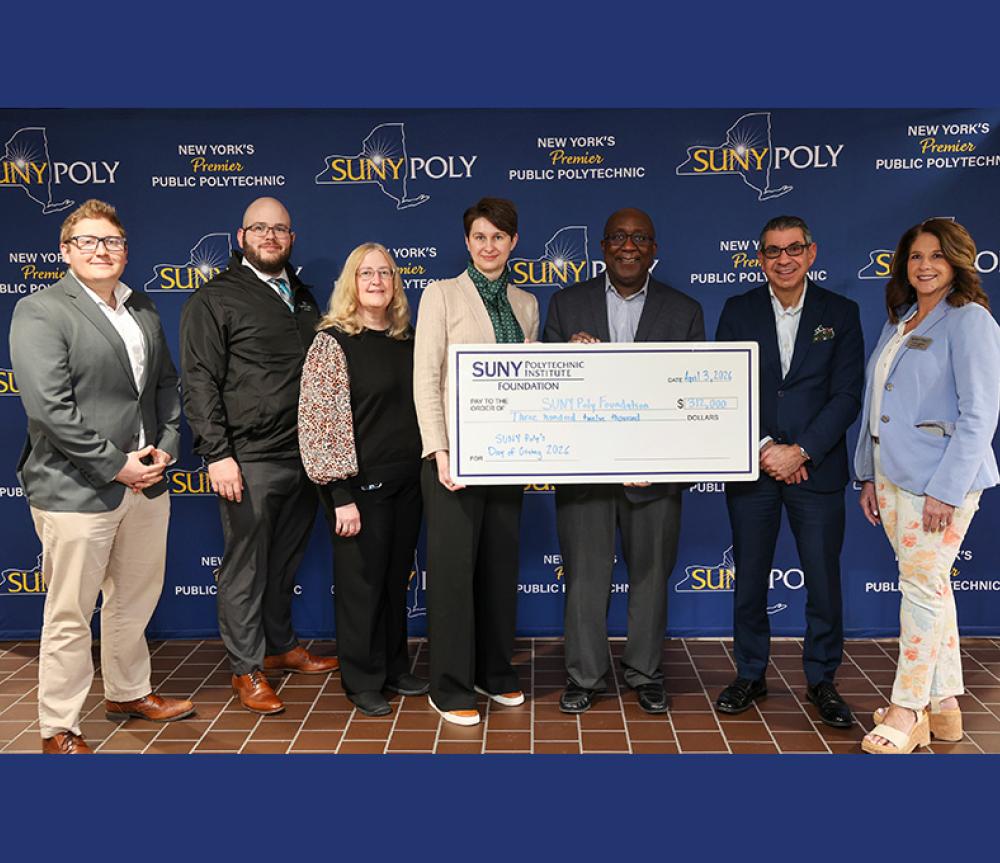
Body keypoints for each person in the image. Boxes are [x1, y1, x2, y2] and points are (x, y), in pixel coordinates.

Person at [9, 199, 195, 754]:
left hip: (148, 481)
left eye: (111, 241)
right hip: (75, 487)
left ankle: (128, 692)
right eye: (87, 241)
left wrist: (164, 448)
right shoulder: (41, 310)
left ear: (125, 250)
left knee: (133, 598)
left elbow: (164, 386)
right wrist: (118, 465)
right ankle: (58, 726)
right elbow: (49, 408)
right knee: (69, 612)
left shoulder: (142, 309)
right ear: (65, 252)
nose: (101, 251)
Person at [180, 196, 339, 716]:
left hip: (305, 455)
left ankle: (278, 647)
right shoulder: (215, 299)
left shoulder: (303, 296)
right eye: (260, 229)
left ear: (291, 239)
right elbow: (199, 381)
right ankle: (245, 669)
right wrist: (216, 454)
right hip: (248, 458)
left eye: (280, 230)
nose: (270, 237)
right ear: (241, 236)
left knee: (283, 561)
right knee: (246, 567)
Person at [543, 207, 705, 714]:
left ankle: (645, 672)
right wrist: (569, 357)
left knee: (652, 576)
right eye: (618, 237)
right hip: (584, 474)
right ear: (602, 246)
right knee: (585, 578)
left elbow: (696, 395)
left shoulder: (685, 310)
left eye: (639, 238)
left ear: (654, 249)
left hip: (656, 474)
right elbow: (545, 388)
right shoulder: (567, 305)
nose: (628, 245)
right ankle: (585, 676)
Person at [856, 218, 1000, 754]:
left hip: (940, 482)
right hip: (892, 475)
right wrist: (867, 473)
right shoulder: (901, 319)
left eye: (936, 256)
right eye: (915, 256)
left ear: (959, 261)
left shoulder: (971, 321)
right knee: (932, 585)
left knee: (920, 590)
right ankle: (945, 707)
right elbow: (878, 404)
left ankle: (906, 708)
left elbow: (981, 413)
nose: (925, 265)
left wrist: (946, 488)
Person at [714, 215, 864, 728]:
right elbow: (724, 388)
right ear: (759, 258)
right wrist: (765, 449)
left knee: (822, 582)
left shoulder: (840, 313)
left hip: (815, 472)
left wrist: (801, 451)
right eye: (773, 251)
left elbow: (847, 395)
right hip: (753, 468)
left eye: (793, 249)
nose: (784, 259)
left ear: (811, 252)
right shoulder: (737, 311)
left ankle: (822, 679)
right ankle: (750, 674)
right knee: (750, 579)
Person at [413, 197, 538, 726]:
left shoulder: (527, 303)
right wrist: (440, 451)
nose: (489, 246)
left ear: (513, 243)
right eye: (480, 237)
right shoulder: (440, 294)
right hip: (452, 463)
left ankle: (493, 672)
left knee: (497, 569)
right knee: (454, 574)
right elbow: (425, 377)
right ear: (467, 242)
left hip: (506, 461)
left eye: (499, 237)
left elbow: (532, 381)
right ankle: (449, 685)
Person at [299, 243, 427, 717]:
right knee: (361, 586)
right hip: (358, 489)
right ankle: (362, 678)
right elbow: (318, 425)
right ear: (350, 284)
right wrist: (339, 495)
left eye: (385, 273)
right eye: (366, 273)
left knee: (395, 581)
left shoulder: (407, 341)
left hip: (408, 483)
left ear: (395, 283)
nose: (376, 281)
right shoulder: (332, 342)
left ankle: (395, 665)